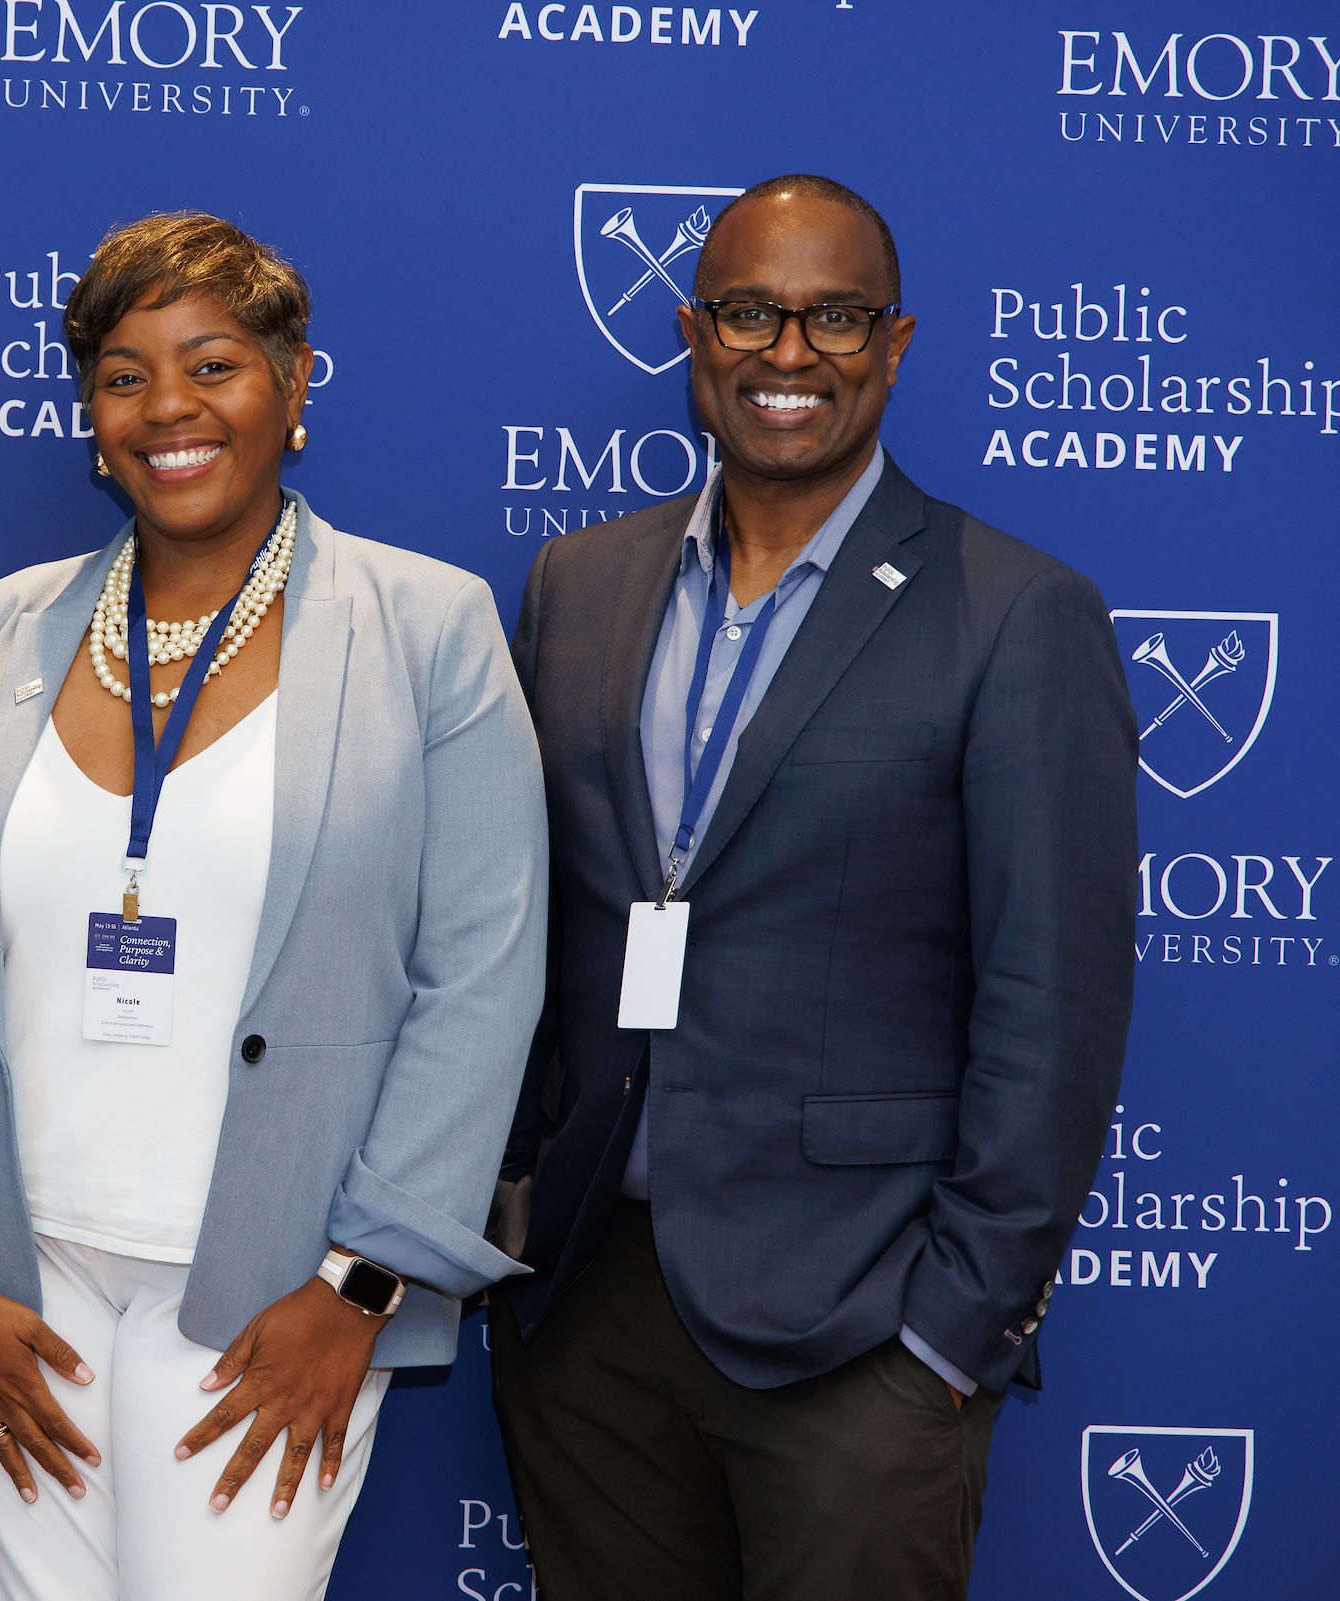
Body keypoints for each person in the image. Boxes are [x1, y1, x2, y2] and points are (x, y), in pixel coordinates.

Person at [0, 211, 545, 1601]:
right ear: (91, 419)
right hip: (11, 1295)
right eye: (123, 373)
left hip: (270, 1301)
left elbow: (485, 976)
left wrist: (358, 1289)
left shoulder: (427, 630)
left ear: (292, 387)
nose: (168, 407)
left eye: (211, 363)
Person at [488, 173, 1137, 1599]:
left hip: (863, 1338)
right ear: (690, 331)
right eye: (750, 313)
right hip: (594, 1312)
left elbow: (1055, 1008)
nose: (790, 354)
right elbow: (517, 927)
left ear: (896, 344)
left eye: (835, 317)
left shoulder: (1020, 613)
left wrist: (949, 1339)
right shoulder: (577, 583)